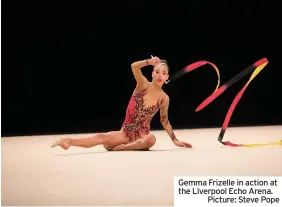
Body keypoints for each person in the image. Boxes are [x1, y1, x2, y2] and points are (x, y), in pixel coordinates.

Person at [51, 56, 193, 151]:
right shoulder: (143, 84)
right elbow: (134, 67)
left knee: (151, 139)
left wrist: (175, 140)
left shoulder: (164, 98)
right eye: (157, 71)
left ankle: (122, 148)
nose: (160, 75)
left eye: (164, 73)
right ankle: (69, 141)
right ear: (152, 74)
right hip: (125, 133)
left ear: (167, 77)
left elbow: (164, 120)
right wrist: (148, 62)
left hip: (142, 137)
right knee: (103, 138)